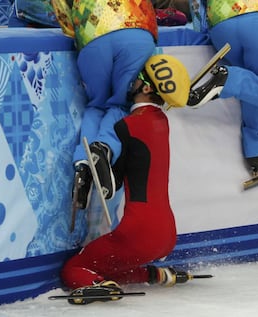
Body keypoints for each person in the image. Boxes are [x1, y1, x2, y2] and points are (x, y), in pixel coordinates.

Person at [60, 54, 193, 304]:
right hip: (166, 235)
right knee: (110, 262)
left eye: (136, 79)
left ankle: (98, 286)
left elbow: (112, 181)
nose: (130, 82)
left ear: (145, 87)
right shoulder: (162, 121)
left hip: (138, 233)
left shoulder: (127, 125)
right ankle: (153, 274)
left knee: (75, 268)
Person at [50, 0, 158, 209]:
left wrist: (77, 32)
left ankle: (83, 164)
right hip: (137, 25)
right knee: (122, 103)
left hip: (91, 32)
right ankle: (104, 147)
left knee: (96, 105)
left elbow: (62, 12)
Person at [187, 0, 258, 175]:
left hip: (220, 22)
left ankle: (257, 148)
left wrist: (201, 24)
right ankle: (227, 79)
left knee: (253, 84)